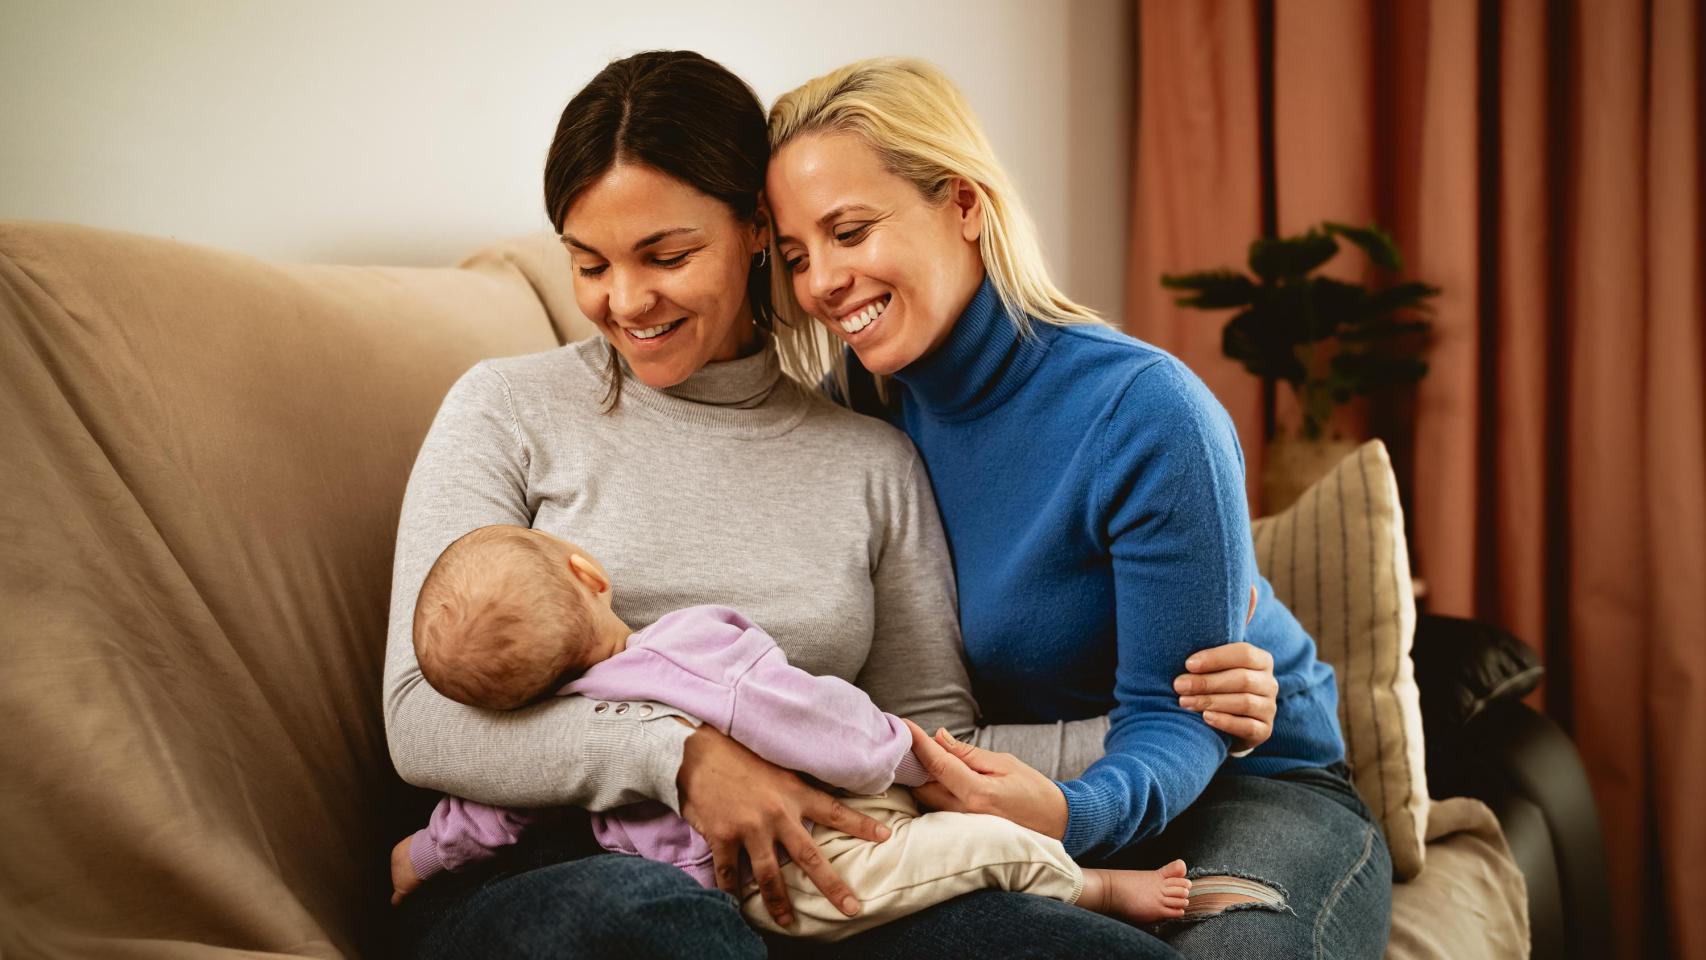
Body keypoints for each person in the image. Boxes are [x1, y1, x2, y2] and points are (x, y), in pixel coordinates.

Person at [384, 50, 1278, 960]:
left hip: (814, 877)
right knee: (653, 922)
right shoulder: (507, 409)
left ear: (755, 231)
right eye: (588, 263)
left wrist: (1179, 720)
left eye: (668, 256)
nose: (625, 300)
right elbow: (419, 714)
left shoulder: (869, 455)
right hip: (551, 865)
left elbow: (928, 739)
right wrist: (681, 760)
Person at [763, 57, 1393, 958]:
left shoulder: (1145, 412)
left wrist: (1066, 815)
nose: (822, 281)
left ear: (964, 204)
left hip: (1249, 786)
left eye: (850, 231)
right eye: (795, 257)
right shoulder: (850, 416)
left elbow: (1180, 713)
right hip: (1015, 805)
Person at [387, 524, 1194, 938]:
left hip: (745, 872)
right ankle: (1095, 887)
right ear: (589, 572)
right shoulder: (697, 646)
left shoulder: (544, 729)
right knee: (968, 849)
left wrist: (420, 855)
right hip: (790, 876)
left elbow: (483, 818)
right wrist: (910, 758)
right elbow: (812, 713)